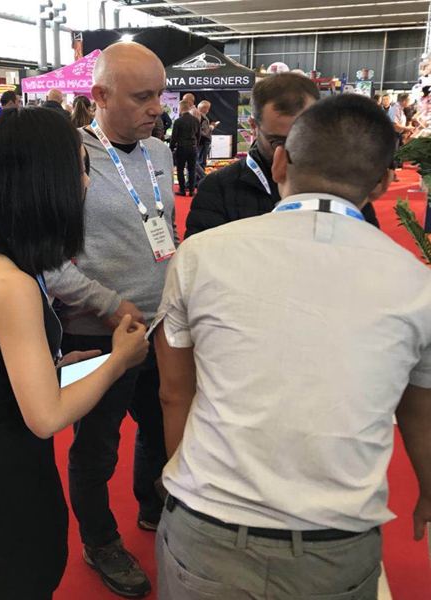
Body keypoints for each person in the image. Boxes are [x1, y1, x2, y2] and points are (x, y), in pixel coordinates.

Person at [152, 93, 431, 600]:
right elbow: (421, 410)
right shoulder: (418, 284)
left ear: (280, 161)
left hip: (209, 526)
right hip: (336, 542)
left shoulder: (199, 255)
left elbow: (174, 392)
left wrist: (184, 486)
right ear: (383, 184)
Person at [0, 106, 149, 600]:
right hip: (3, 475)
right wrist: (118, 358)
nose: (85, 181)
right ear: (44, 178)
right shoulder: (4, 280)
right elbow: (46, 417)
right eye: (79, 167)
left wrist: (56, 367)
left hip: (4, 462)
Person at [44, 42, 176, 598]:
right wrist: (110, 303)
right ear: (99, 95)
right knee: (96, 448)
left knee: (162, 427)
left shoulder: (160, 151)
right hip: (96, 334)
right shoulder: (68, 157)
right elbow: (47, 262)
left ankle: (153, 505)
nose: (156, 108)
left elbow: (164, 231)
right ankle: (100, 541)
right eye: (143, 97)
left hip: (162, 329)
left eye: (159, 95)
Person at [185, 73, 382, 238]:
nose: (290, 150)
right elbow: (200, 262)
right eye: (278, 141)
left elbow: (367, 255)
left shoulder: (342, 186)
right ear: (253, 126)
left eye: (304, 138)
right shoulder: (218, 188)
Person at [170, 99, 200, 197]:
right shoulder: (196, 120)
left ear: (181, 108)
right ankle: (192, 190)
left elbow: (174, 137)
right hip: (193, 147)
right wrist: (196, 144)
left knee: (180, 169)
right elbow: (198, 135)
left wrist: (171, 148)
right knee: (192, 169)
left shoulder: (178, 121)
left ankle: (182, 190)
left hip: (181, 147)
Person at [196, 100, 217, 170]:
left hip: (198, 141)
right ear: (204, 108)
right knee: (202, 161)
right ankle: (201, 176)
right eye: (208, 108)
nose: (208, 111)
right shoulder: (203, 117)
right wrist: (212, 126)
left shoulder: (196, 115)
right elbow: (205, 132)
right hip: (203, 141)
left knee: (198, 160)